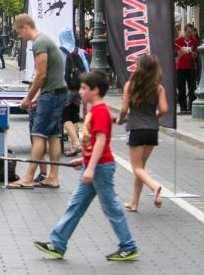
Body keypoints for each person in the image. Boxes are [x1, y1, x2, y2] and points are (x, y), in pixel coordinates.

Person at [34, 70, 139, 262]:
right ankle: (58, 243)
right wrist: (84, 161)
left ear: (95, 90)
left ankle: (128, 246)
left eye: (84, 88)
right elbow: (93, 144)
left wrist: (90, 167)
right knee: (76, 205)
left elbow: (100, 142)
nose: (80, 92)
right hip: (93, 166)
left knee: (111, 208)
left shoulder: (100, 112)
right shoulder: (94, 110)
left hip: (101, 168)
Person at [7, 14, 68, 190]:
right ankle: (53, 177)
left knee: (38, 134)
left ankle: (28, 177)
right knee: (53, 135)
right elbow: (49, 74)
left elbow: (41, 74)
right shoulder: (45, 40)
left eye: (19, 33)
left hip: (52, 95)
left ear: (25, 27)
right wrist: (37, 98)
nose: (21, 37)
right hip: (57, 92)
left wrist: (28, 98)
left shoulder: (39, 42)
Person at [116, 54, 167, 212]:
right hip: (152, 129)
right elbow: (164, 109)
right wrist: (155, 117)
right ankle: (134, 203)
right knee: (141, 168)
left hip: (136, 128)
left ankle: (154, 187)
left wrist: (120, 119)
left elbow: (124, 109)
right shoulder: (158, 87)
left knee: (137, 167)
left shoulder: (130, 85)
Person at [60, 26, 90, 157]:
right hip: (79, 87)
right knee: (74, 116)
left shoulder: (61, 51)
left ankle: (76, 143)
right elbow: (87, 70)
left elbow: (59, 71)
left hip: (66, 87)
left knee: (64, 116)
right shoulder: (80, 51)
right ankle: (73, 145)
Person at [174, 23, 200, 114]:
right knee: (181, 88)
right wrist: (181, 52)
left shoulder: (195, 41)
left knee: (192, 86)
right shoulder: (178, 41)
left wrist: (194, 54)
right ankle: (183, 107)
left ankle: (191, 105)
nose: (189, 34)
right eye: (188, 32)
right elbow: (176, 55)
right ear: (184, 31)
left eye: (191, 32)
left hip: (191, 67)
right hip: (180, 67)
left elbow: (196, 55)